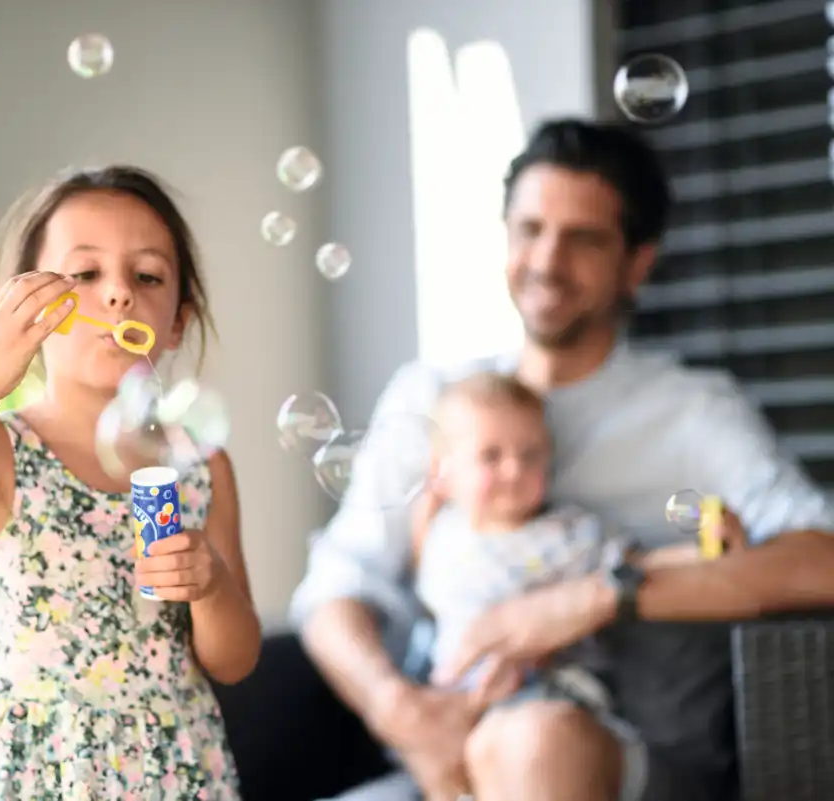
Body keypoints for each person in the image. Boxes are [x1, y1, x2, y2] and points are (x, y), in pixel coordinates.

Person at [290, 118, 834, 801]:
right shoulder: (434, 398)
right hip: (454, 748)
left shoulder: (693, 413)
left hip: (627, 756)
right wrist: (397, 708)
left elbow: (823, 559)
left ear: (637, 261)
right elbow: (336, 585)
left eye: (582, 238)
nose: (546, 260)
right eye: (529, 229)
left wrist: (598, 596)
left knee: (534, 741)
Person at [0, 166, 260, 799]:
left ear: (178, 321)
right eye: (86, 274)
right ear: (28, 308)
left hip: (180, 771)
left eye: (147, 276)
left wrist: (208, 584)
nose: (119, 295)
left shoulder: (199, 466)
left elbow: (234, 662)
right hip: (42, 776)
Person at [408, 371, 745, 801]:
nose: (514, 469)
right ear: (442, 474)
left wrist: (707, 549)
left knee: (520, 748)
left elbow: (636, 568)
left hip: (547, 696)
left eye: (531, 455)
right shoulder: (440, 530)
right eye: (491, 456)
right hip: (457, 706)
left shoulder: (566, 533)